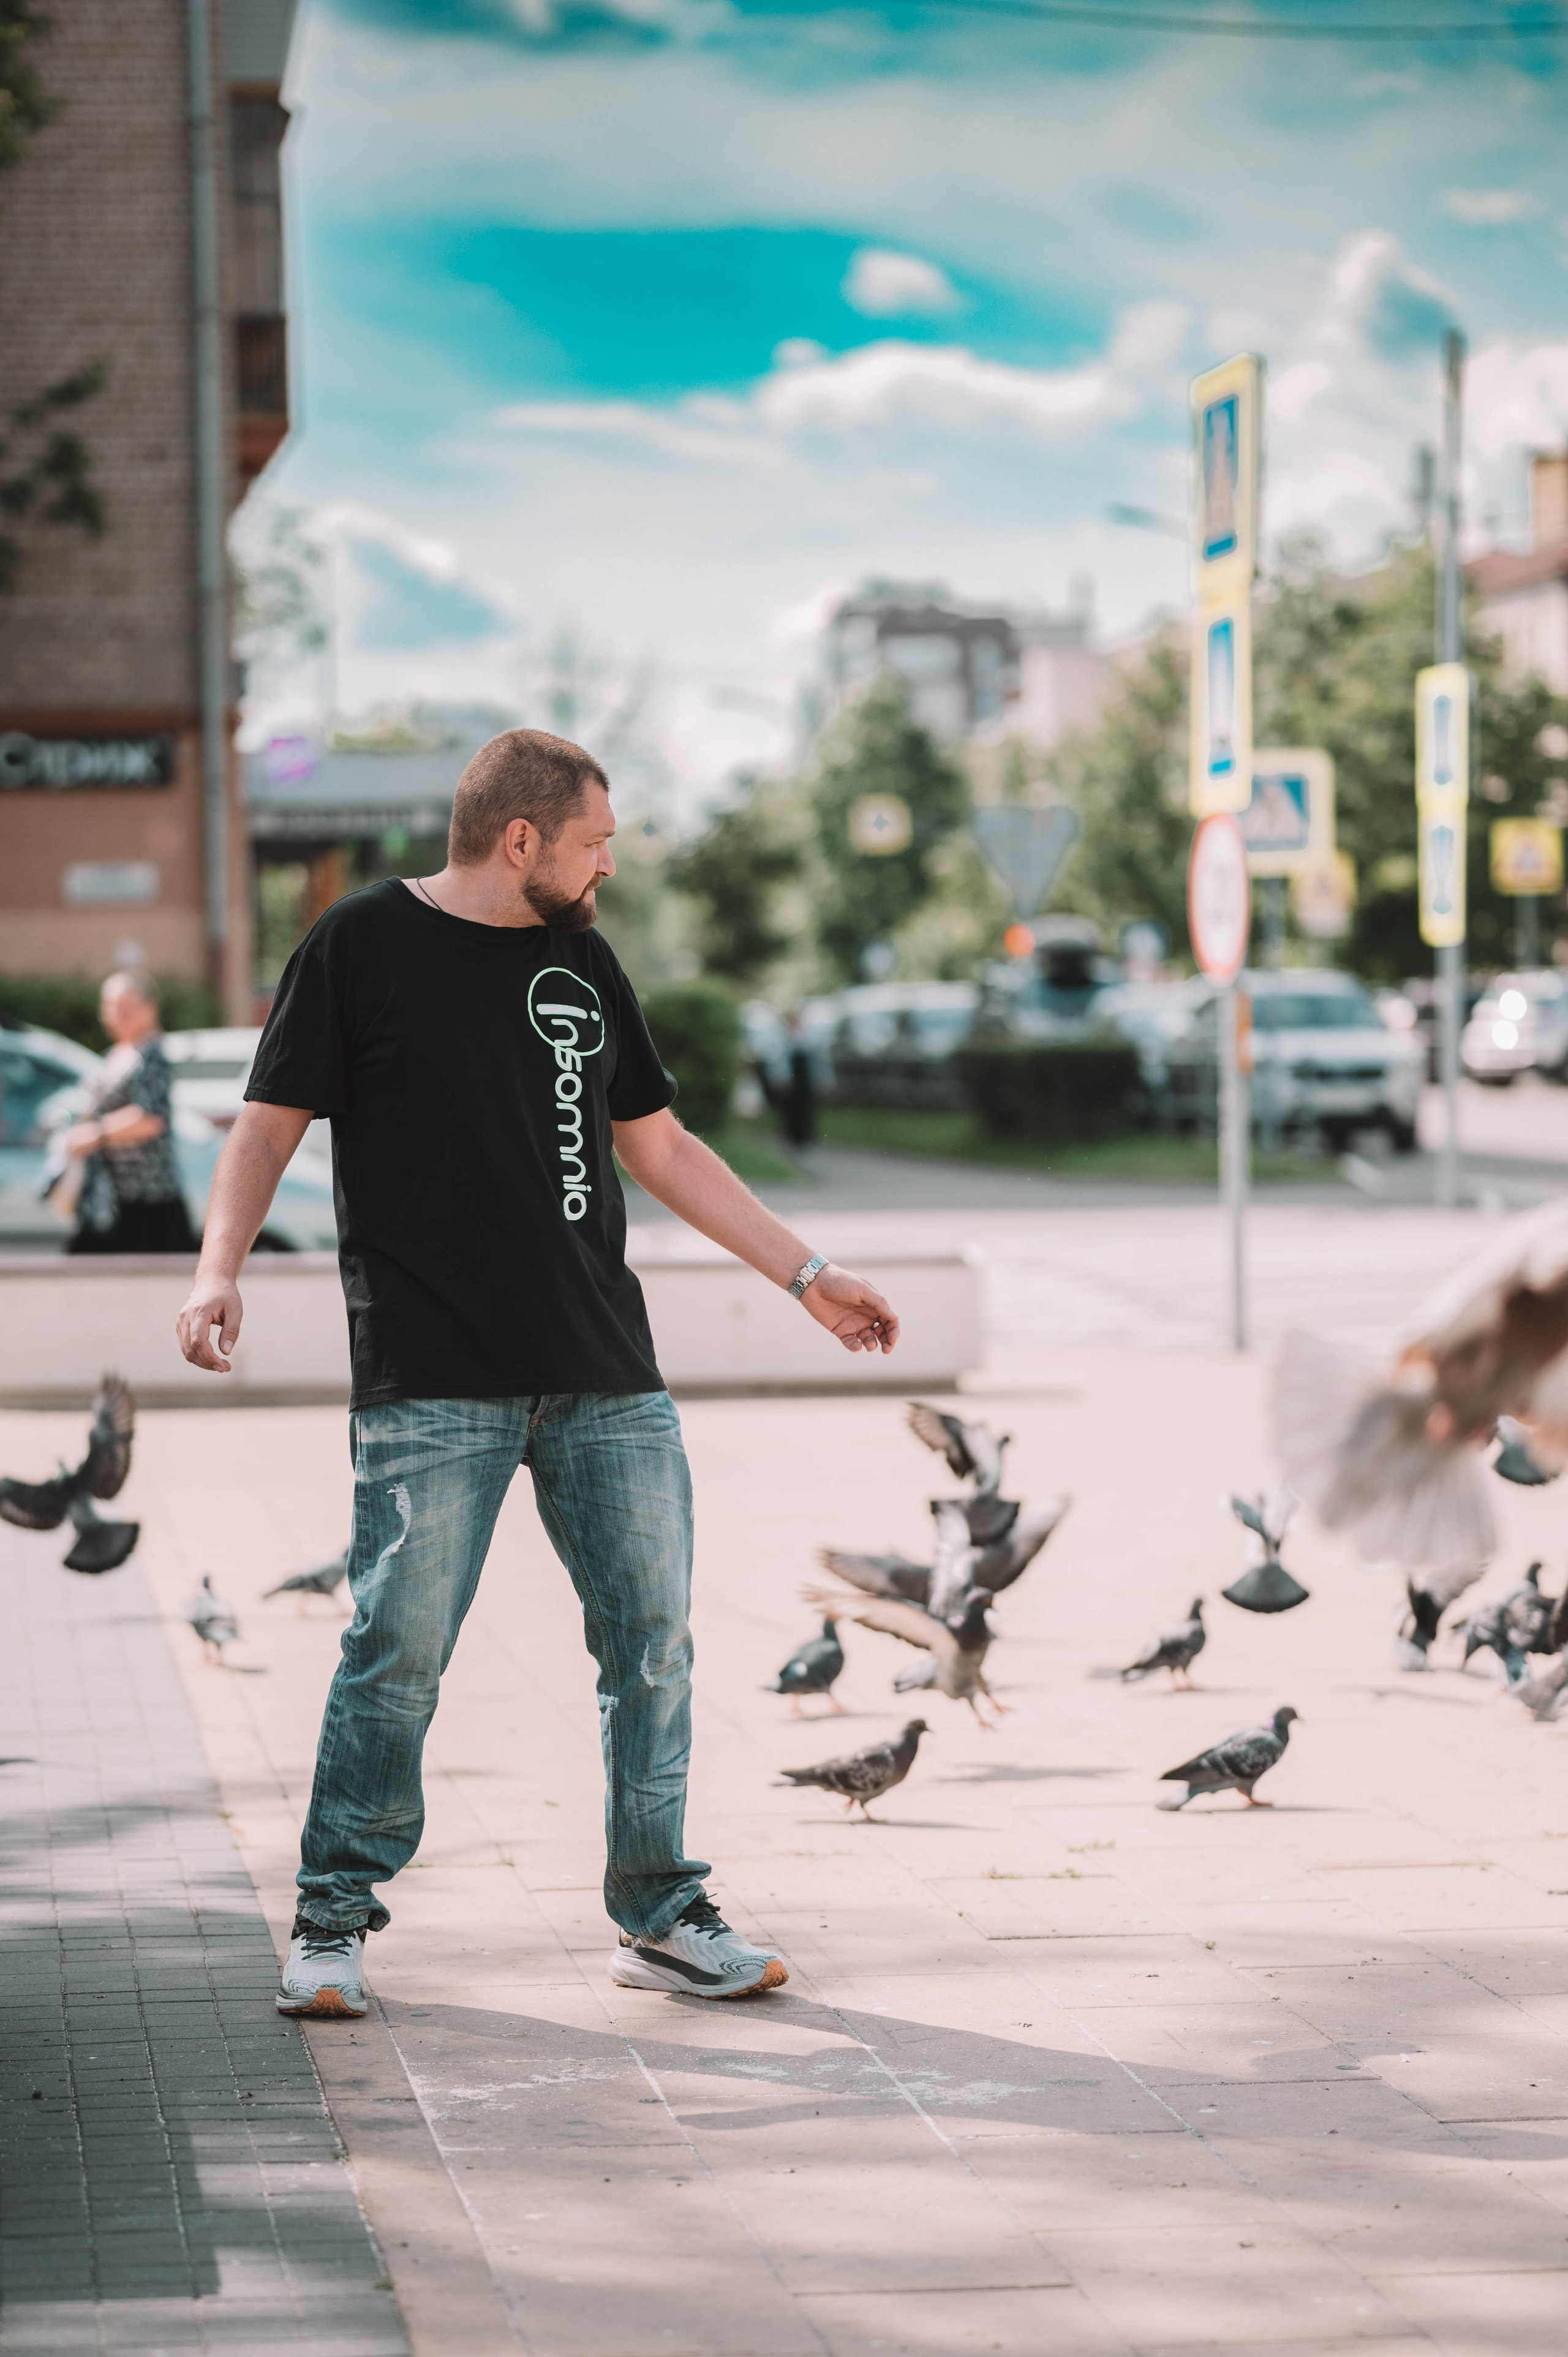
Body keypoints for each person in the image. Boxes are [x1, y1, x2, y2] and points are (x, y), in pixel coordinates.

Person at [174, 729, 899, 2020]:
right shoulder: (357, 948)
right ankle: (333, 1919)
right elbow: (267, 1124)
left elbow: (661, 1150)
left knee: (652, 1645)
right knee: (393, 1651)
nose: (605, 865)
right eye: (592, 843)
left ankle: (660, 1909)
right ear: (522, 840)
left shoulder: (581, 957)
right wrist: (214, 1267)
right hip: (430, 1374)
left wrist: (806, 1275)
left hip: (601, 1370)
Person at [61, 969, 198, 1254]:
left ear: (150, 1008)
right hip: (111, 1194)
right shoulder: (117, 1053)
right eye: (110, 1006)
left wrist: (95, 1134)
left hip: (148, 1199)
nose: (115, 1015)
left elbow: (150, 1119)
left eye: (125, 1007)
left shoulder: (152, 1055)